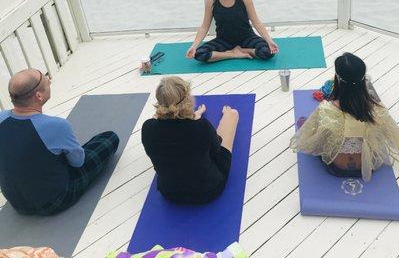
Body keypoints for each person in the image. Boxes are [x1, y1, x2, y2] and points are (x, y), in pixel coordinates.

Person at [0, 69, 119, 215]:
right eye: (46, 81)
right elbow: (78, 162)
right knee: (109, 138)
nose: (49, 81)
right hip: (54, 201)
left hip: (17, 203)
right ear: (39, 95)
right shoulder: (56, 126)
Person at [290, 53, 399, 181]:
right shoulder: (377, 110)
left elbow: (312, 141)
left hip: (337, 168)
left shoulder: (327, 110)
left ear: (337, 79)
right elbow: (391, 136)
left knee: (311, 127)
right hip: (368, 165)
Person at [141, 76, 239, 204]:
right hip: (208, 191)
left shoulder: (148, 127)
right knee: (233, 115)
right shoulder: (201, 127)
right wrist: (195, 119)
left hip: (170, 193)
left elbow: (166, 125)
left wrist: (193, 117)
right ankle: (229, 114)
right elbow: (216, 151)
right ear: (187, 99)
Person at [185, 0, 279, 62]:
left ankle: (242, 50)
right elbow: (204, 27)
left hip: (247, 38)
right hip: (223, 40)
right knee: (199, 53)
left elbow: (257, 22)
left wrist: (269, 41)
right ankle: (232, 54)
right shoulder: (211, 1)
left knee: (268, 51)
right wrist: (194, 46)